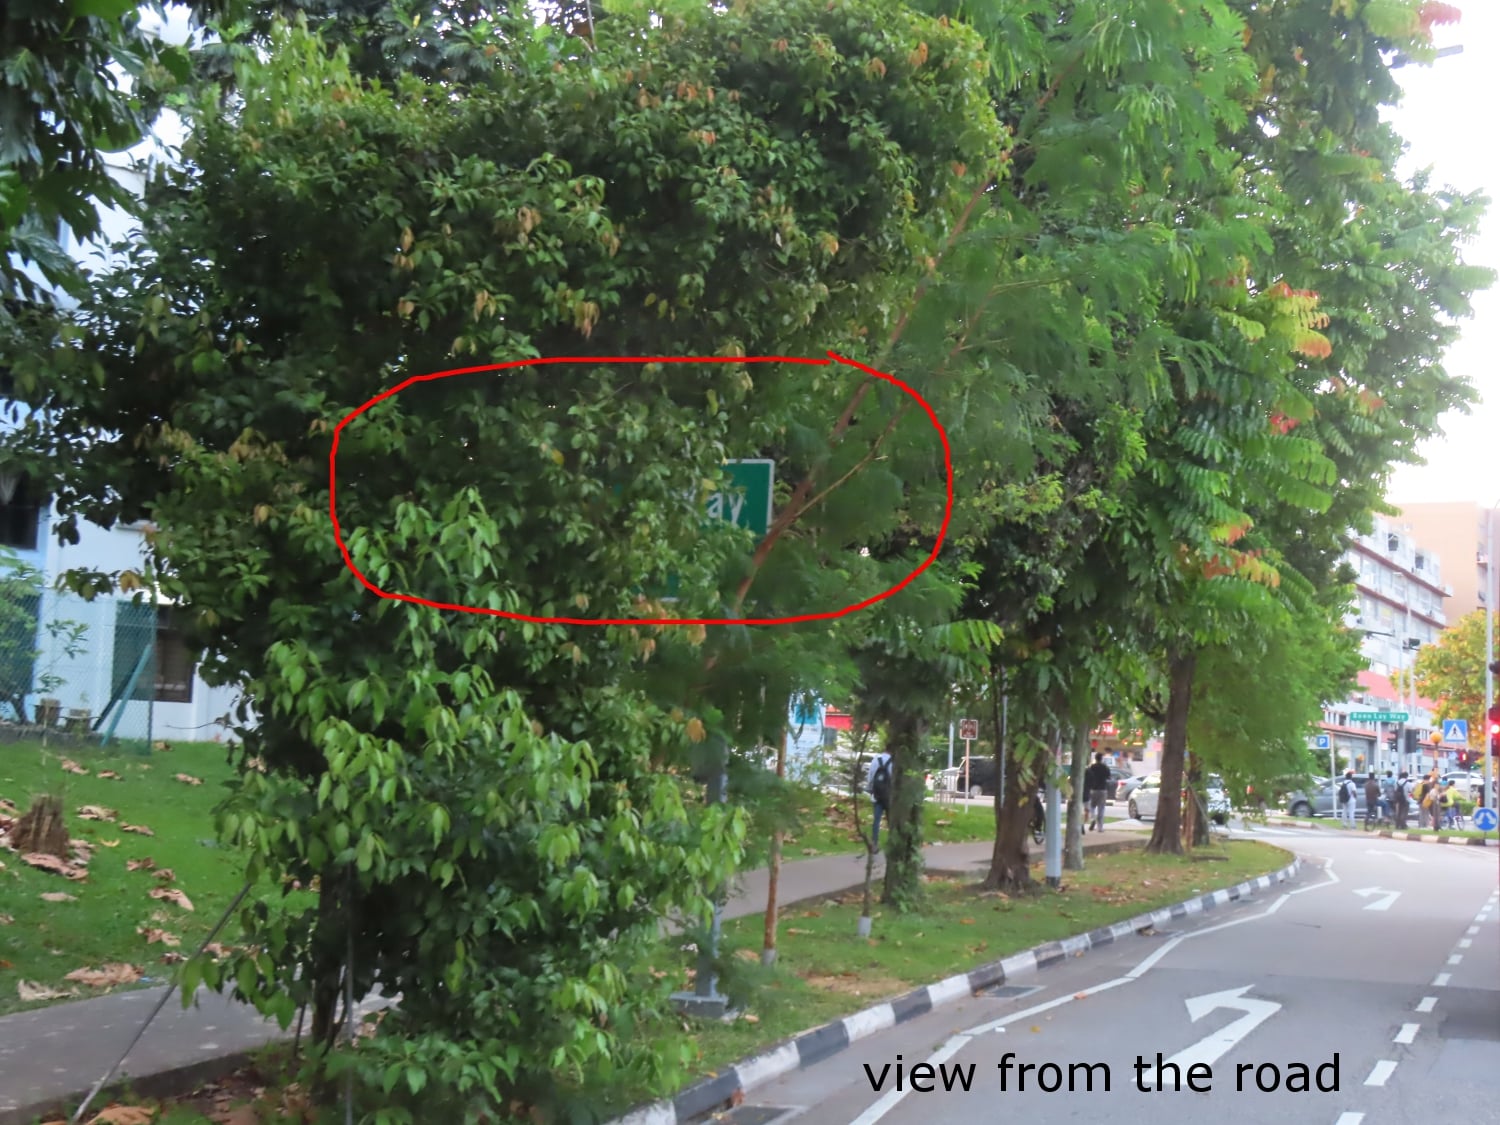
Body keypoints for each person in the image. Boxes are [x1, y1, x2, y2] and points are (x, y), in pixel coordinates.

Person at [866, 749, 894, 850]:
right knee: (891, 820)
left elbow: (871, 776)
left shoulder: (876, 759)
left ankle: (874, 843)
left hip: (877, 795)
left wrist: (870, 790)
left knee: (876, 820)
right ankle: (892, 843)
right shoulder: (893, 762)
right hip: (889, 796)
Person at [1084, 752, 1111, 833]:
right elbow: (1109, 777)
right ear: (1101, 759)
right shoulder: (1105, 767)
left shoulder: (1092, 767)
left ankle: (1092, 818)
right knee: (1101, 808)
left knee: (1091, 807)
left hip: (1093, 789)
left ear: (1095, 758)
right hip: (1102, 789)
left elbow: (1088, 777)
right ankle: (1100, 828)